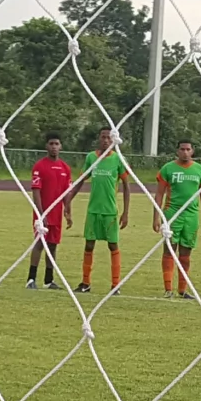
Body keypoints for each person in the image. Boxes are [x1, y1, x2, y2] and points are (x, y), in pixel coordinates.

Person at [75, 126, 133, 294]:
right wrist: (69, 200)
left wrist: (126, 212)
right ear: (99, 138)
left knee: (113, 246)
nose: (106, 140)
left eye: (109, 137)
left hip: (110, 211)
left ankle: (115, 285)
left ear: (114, 140)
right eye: (103, 137)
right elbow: (81, 180)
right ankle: (85, 283)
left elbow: (126, 186)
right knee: (89, 245)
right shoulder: (91, 157)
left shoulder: (118, 159)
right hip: (93, 210)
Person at [153, 140, 201, 298]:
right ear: (177, 151)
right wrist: (156, 217)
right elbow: (159, 194)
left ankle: (182, 290)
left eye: (188, 149)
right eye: (182, 149)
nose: (185, 152)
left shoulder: (199, 170)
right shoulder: (168, 168)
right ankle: (168, 289)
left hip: (191, 216)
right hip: (172, 214)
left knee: (186, 253)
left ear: (192, 151)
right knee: (169, 250)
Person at [26, 133, 72, 290]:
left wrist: (68, 211)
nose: (54, 146)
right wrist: (40, 214)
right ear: (46, 146)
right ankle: (31, 279)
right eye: (51, 143)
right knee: (39, 243)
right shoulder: (39, 166)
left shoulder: (65, 168)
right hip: (43, 213)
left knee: (52, 245)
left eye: (56, 143)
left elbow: (67, 192)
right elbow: (36, 191)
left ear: (61, 146)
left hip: (57, 214)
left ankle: (48, 280)